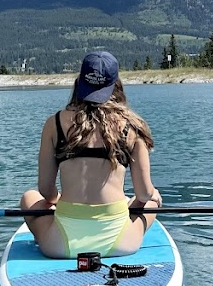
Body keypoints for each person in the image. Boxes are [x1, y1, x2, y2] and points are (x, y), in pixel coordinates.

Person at [20, 49, 161, 258]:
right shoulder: (132, 126)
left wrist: (59, 200)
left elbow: (45, 189)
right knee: (152, 199)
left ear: (80, 82)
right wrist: (145, 200)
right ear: (115, 85)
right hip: (121, 242)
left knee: (29, 197)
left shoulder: (55, 123)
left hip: (60, 244)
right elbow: (143, 194)